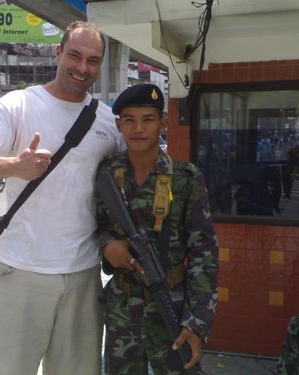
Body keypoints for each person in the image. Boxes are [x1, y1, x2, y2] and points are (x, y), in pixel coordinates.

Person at [0, 21, 122, 375]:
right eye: (74, 55)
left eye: (92, 60)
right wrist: (13, 165)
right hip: (23, 272)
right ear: (58, 53)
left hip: (83, 275)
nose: (82, 67)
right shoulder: (19, 105)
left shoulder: (105, 121)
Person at [94, 83, 219, 374]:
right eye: (130, 120)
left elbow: (205, 253)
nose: (138, 128)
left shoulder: (186, 178)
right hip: (123, 309)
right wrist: (107, 246)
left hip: (173, 308)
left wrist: (196, 322)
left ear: (162, 123)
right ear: (118, 125)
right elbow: (95, 226)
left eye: (148, 119)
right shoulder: (107, 176)